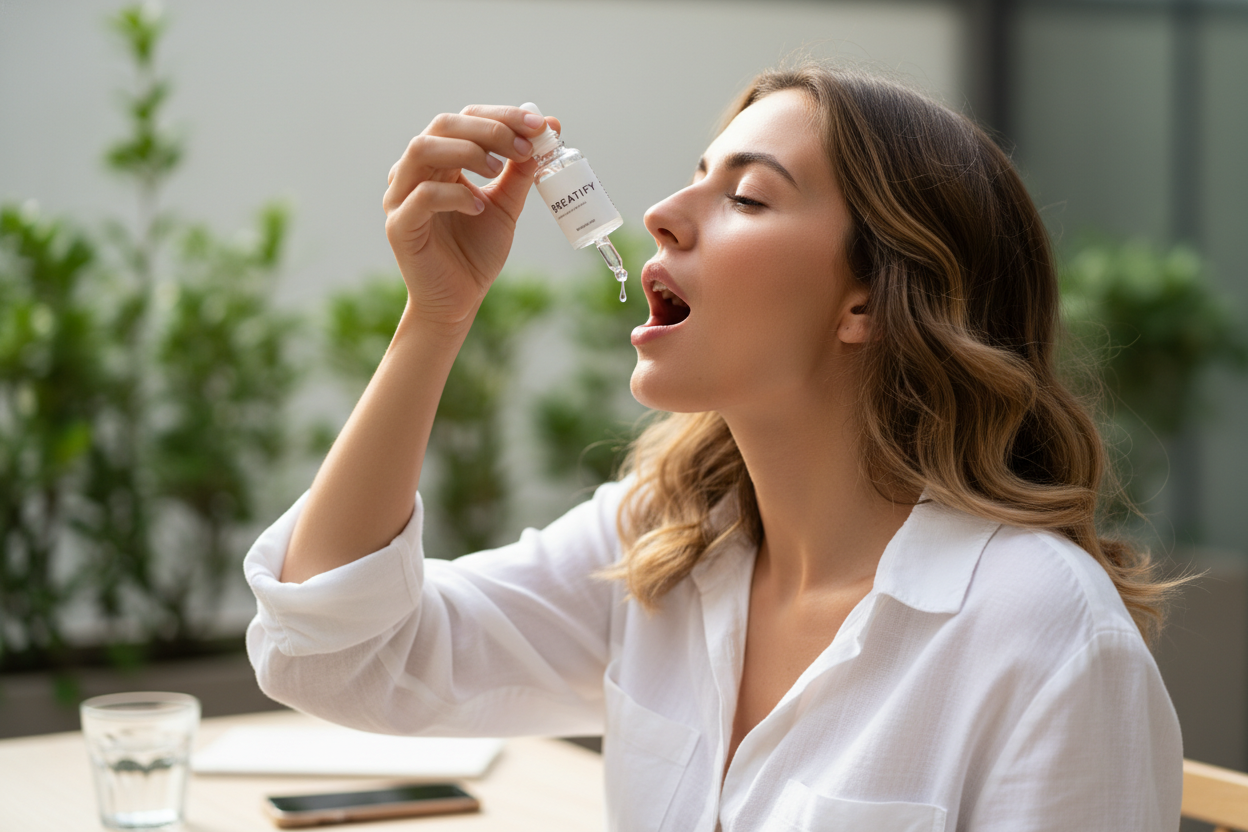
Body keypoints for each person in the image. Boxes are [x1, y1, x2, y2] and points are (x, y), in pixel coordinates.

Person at [245, 62, 1184, 831]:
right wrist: (434, 320)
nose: (662, 211)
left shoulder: (1044, 637)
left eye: (746, 195)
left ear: (868, 298)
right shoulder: (665, 544)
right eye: (694, 175)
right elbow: (338, 655)